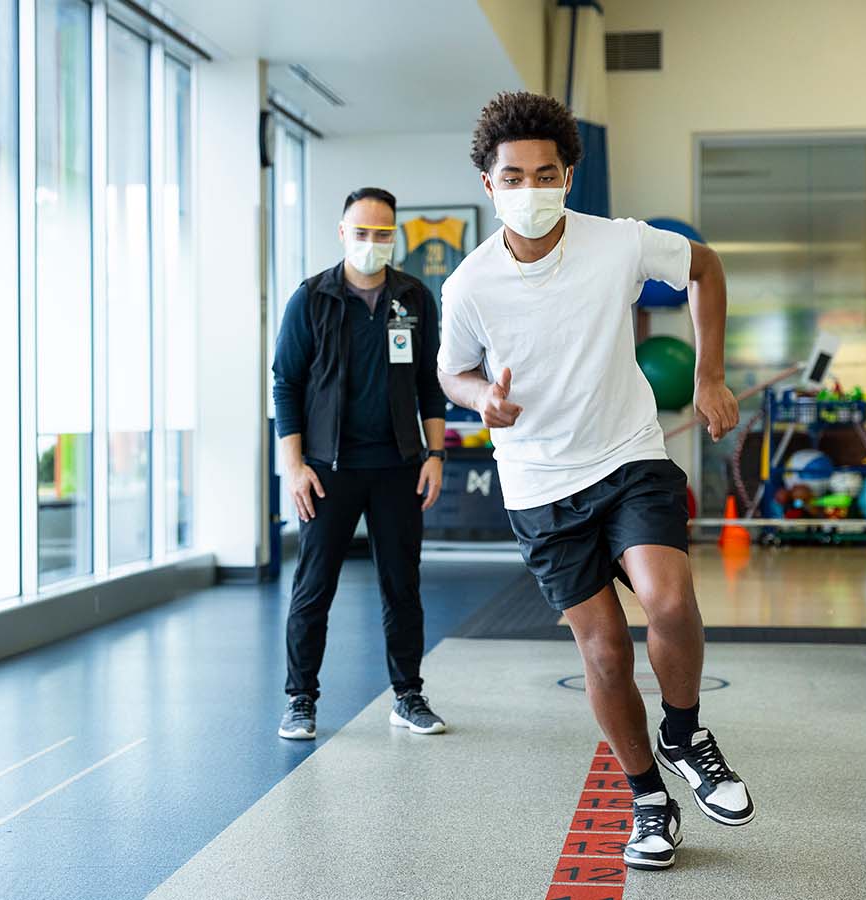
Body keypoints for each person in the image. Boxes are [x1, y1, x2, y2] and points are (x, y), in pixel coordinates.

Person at [436, 92, 754, 870]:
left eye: (547, 173)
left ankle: (684, 734)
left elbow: (703, 267)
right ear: (489, 184)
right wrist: (486, 401)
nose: (532, 189)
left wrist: (709, 374)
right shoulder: (469, 285)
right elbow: (453, 371)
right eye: (514, 176)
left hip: (628, 453)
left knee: (671, 600)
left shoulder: (616, 243)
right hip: (539, 484)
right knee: (606, 652)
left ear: (569, 175)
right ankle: (649, 798)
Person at [271, 187, 449, 741]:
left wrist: (436, 454)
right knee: (314, 586)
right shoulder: (311, 299)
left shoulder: (414, 299)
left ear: (394, 235)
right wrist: (295, 468)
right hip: (328, 470)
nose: (372, 243)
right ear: (342, 233)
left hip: (398, 465)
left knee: (402, 585)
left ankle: (408, 695)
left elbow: (428, 385)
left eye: (382, 233)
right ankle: (301, 700)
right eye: (362, 232)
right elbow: (286, 384)